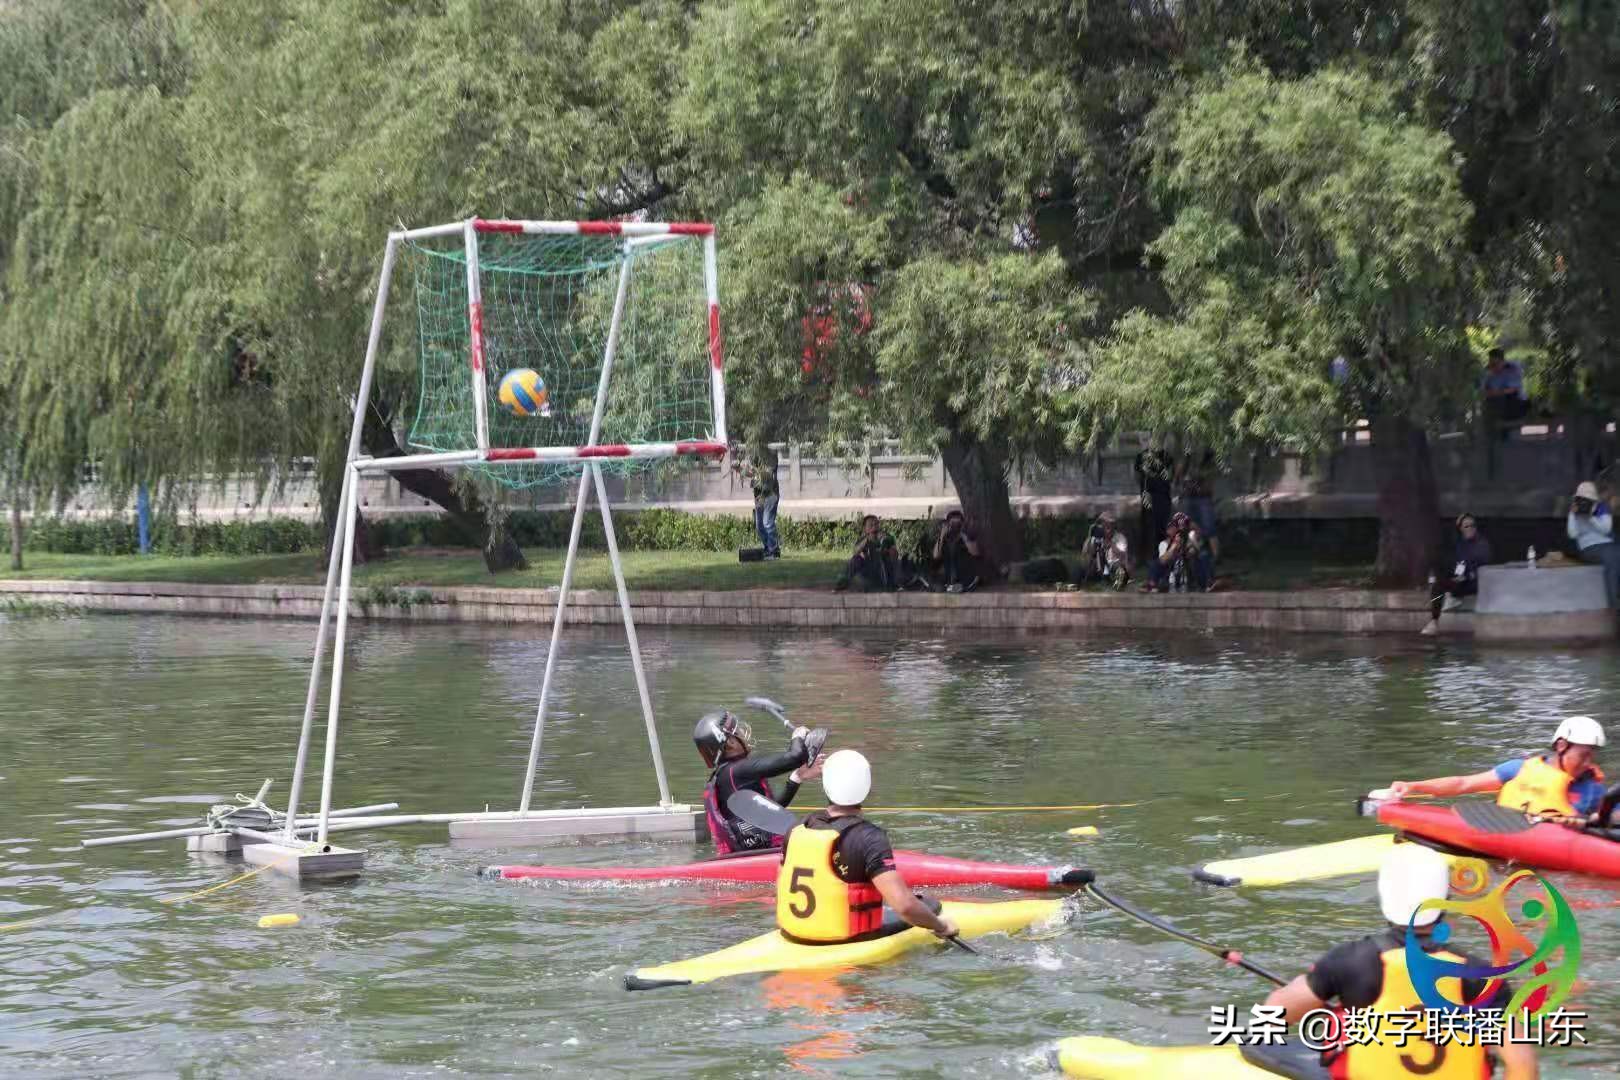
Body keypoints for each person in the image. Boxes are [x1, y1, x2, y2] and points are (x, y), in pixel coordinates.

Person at [1263, 843, 1537, 1079]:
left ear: (1385, 897)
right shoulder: (1481, 976)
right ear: (1445, 901)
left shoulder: (1348, 962)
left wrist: (1311, 1000)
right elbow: (1522, 1066)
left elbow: (1273, 1016)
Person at [775, 749, 960, 944]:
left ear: (826, 786)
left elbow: (781, 885)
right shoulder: (870, 837)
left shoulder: (797, 828)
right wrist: (941, 926)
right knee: (929, 904)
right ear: (868, 788)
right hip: (845, 939)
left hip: (794, 933)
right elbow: (905, 907)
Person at [1388, 715, 1606, 827]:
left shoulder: (1594, 790)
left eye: (1591, 756)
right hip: (1504, 834)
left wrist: (1599, 818)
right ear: (1561, 746)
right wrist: (1413, 786)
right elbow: (1462, 784)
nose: (1588, 763)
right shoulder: (1518, 769)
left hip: (1556, 847)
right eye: (1582, 755)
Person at [694, 709, 824, 854]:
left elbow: (773, 810)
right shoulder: (736, 771)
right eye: (738, 732)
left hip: (751, 853)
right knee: (819, 822)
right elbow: (795, 756)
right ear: (730, 743)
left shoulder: (728, 775)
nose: (743, 734)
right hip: (760, 854)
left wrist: (797, 777)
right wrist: (798, 736)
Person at [1422, 514, 1492, 635]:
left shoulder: (1482, 544)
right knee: (1438, 586)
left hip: (1474, 582)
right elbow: (1458, 563)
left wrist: (1467, 576)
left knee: (1451, 583)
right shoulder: (1459, 544)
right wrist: (1454, 575)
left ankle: (1454, 596)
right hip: (1459, 579)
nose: (1470, 529)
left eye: (1473, 526)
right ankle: (1434, 621)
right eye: (1466, 526)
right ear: (1460, 529)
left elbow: (1483, 566)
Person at [1567, 481, 1620, 609]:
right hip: (1589, 548)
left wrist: (1592, 518)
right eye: (1582, 499)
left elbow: (1606, 529)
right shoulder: (1575, 511)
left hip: (1608, 544)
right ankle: (1614, 604)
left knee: (1615, 555)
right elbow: (1572, 534)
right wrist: (1576, 515)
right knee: (1613, 557)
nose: (1585, 502)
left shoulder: (1601, 507)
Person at [835, 515, 902, 591]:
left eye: (876, 524)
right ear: (865, 528)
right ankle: (844, 583)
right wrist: (866, 541)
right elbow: (855, 552)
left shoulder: (887, 538)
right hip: (869, 571)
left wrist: (886, 547)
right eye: (871, 525)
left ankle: (893, 585)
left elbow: (895, 556)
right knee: (855, 560)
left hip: (884, 570)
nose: (874, 527)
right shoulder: (863, 540)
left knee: (896, 562)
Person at [1134, 441, 1174, 569]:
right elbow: (1137, 476)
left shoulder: (1166, 457)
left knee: (1161, 528)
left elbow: (1170, 476)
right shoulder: (1142, 456)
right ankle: (1144, 558)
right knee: (1146, 527)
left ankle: (1161, 557)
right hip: (1148, 498)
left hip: (1162, 498)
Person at [1179, 449, 1220, 562]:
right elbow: (1180, 474)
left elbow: (1207, 482)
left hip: (1203, 498)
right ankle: (1193, 555)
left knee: (1209, 529)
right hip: (1190, 497)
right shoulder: (1189, 462)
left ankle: (1215, 557)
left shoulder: (1209, 466)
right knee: (1191, 527)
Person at [1482, 348, 1530, 437]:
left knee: (1504, 398)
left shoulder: (1512, 368)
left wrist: (1494, 392)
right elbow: (1483, 388)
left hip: (1514, 399)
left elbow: (1513, 389)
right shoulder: (1488, 371)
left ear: (1502, 361)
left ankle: (1509, 424)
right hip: (1495, 400)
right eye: (1491, 363)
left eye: (1496, 363)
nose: (1494, 366)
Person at [930, 510, 981, 592]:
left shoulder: (967, 536)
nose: (955, 526)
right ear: (948, 524)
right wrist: (942, 535)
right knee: (938, 586)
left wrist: (963, 533)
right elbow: (935, 555)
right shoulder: (944, 539)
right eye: (952, 523)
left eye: (958, 523)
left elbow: (975, 553)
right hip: (948, 577)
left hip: (965, 577)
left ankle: (960, 586)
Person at [1078, 511, 1131, 589]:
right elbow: (1085, 554)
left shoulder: (1120, 538)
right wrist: (1092, 538)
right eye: (1104, 523)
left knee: (1120, 569)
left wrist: (1110, 543)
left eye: (1110, 524)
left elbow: (1122, 555)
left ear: (1114, 525)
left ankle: (1117, 583)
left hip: (1114, 565)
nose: (1107, 526)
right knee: (1081, 568)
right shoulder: (1095, 538)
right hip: (1097, 566)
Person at [750, 456, 782, 560]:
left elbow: (768, 476)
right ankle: (768, 548)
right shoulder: (754, 459)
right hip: (759, 497)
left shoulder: (770, 458)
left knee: (767, 523)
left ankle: (773, 550)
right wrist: (740, 470)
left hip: (770, 496)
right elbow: (753, 475)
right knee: (759, 526)